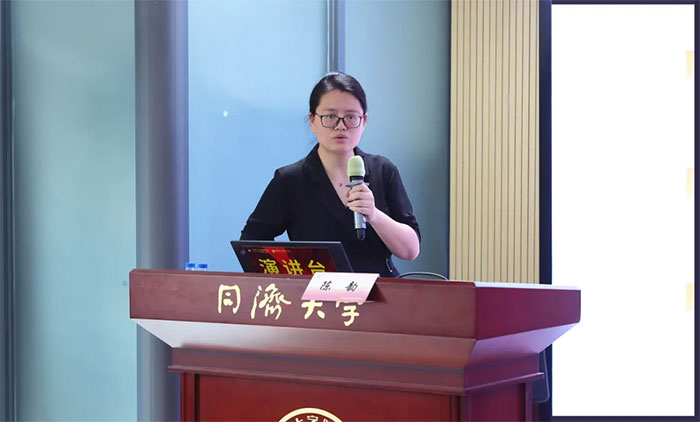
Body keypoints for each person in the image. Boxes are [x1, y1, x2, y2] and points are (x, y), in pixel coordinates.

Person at [240, 72, 420, 277]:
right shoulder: (290, 180)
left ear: (364, 121)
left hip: (380, 291)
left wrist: (373, 215)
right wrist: (294, 277)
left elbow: (411, 250)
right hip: (317, 294)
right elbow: (250, 244)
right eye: (330, 117)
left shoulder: (383, 170)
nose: (340, 126)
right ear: (312, 121)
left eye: (351, 117)